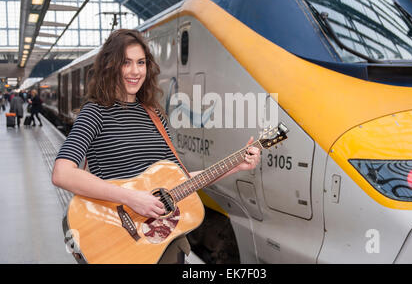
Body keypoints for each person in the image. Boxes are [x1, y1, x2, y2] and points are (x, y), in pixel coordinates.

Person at [51, 29, 260, 264]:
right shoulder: (95, 113)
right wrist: (131, 198)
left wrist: (235, 166)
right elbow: (62, 173)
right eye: (126, 62)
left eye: (141, 62)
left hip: (163, 242)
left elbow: (179, 183)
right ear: (110, 66)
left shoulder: (154, 115)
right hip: (118, 238)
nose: (135, 71)